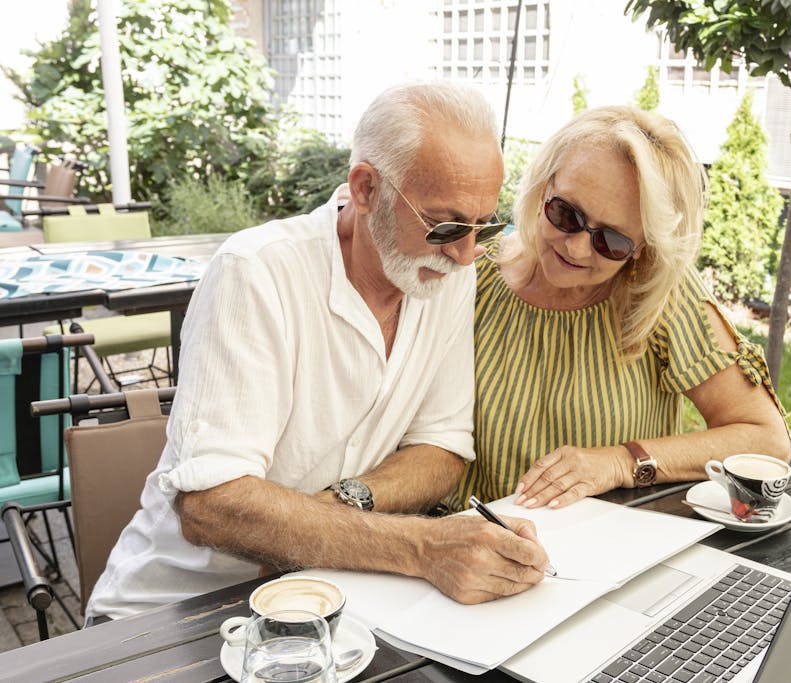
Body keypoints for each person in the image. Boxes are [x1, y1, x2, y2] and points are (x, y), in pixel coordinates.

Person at [87, 83, 549, 620]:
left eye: (482, 225)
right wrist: (421, 548)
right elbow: (210, 504)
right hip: (177, 612)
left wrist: (335, 509)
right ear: (366, 189)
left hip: (328, 597)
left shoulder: (445, 273)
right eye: (444, 225)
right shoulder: (257, 272)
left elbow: (442, 448)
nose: (466, 255)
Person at [448, 106, 790, 511]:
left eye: (611, 241)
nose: (576, 248)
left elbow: (766, 439)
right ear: (544, 186)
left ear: (643, 247)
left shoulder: (657, 291)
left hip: (607, 540)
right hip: (468, 534)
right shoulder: (471, 273)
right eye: (566, 214)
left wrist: (622, 462)